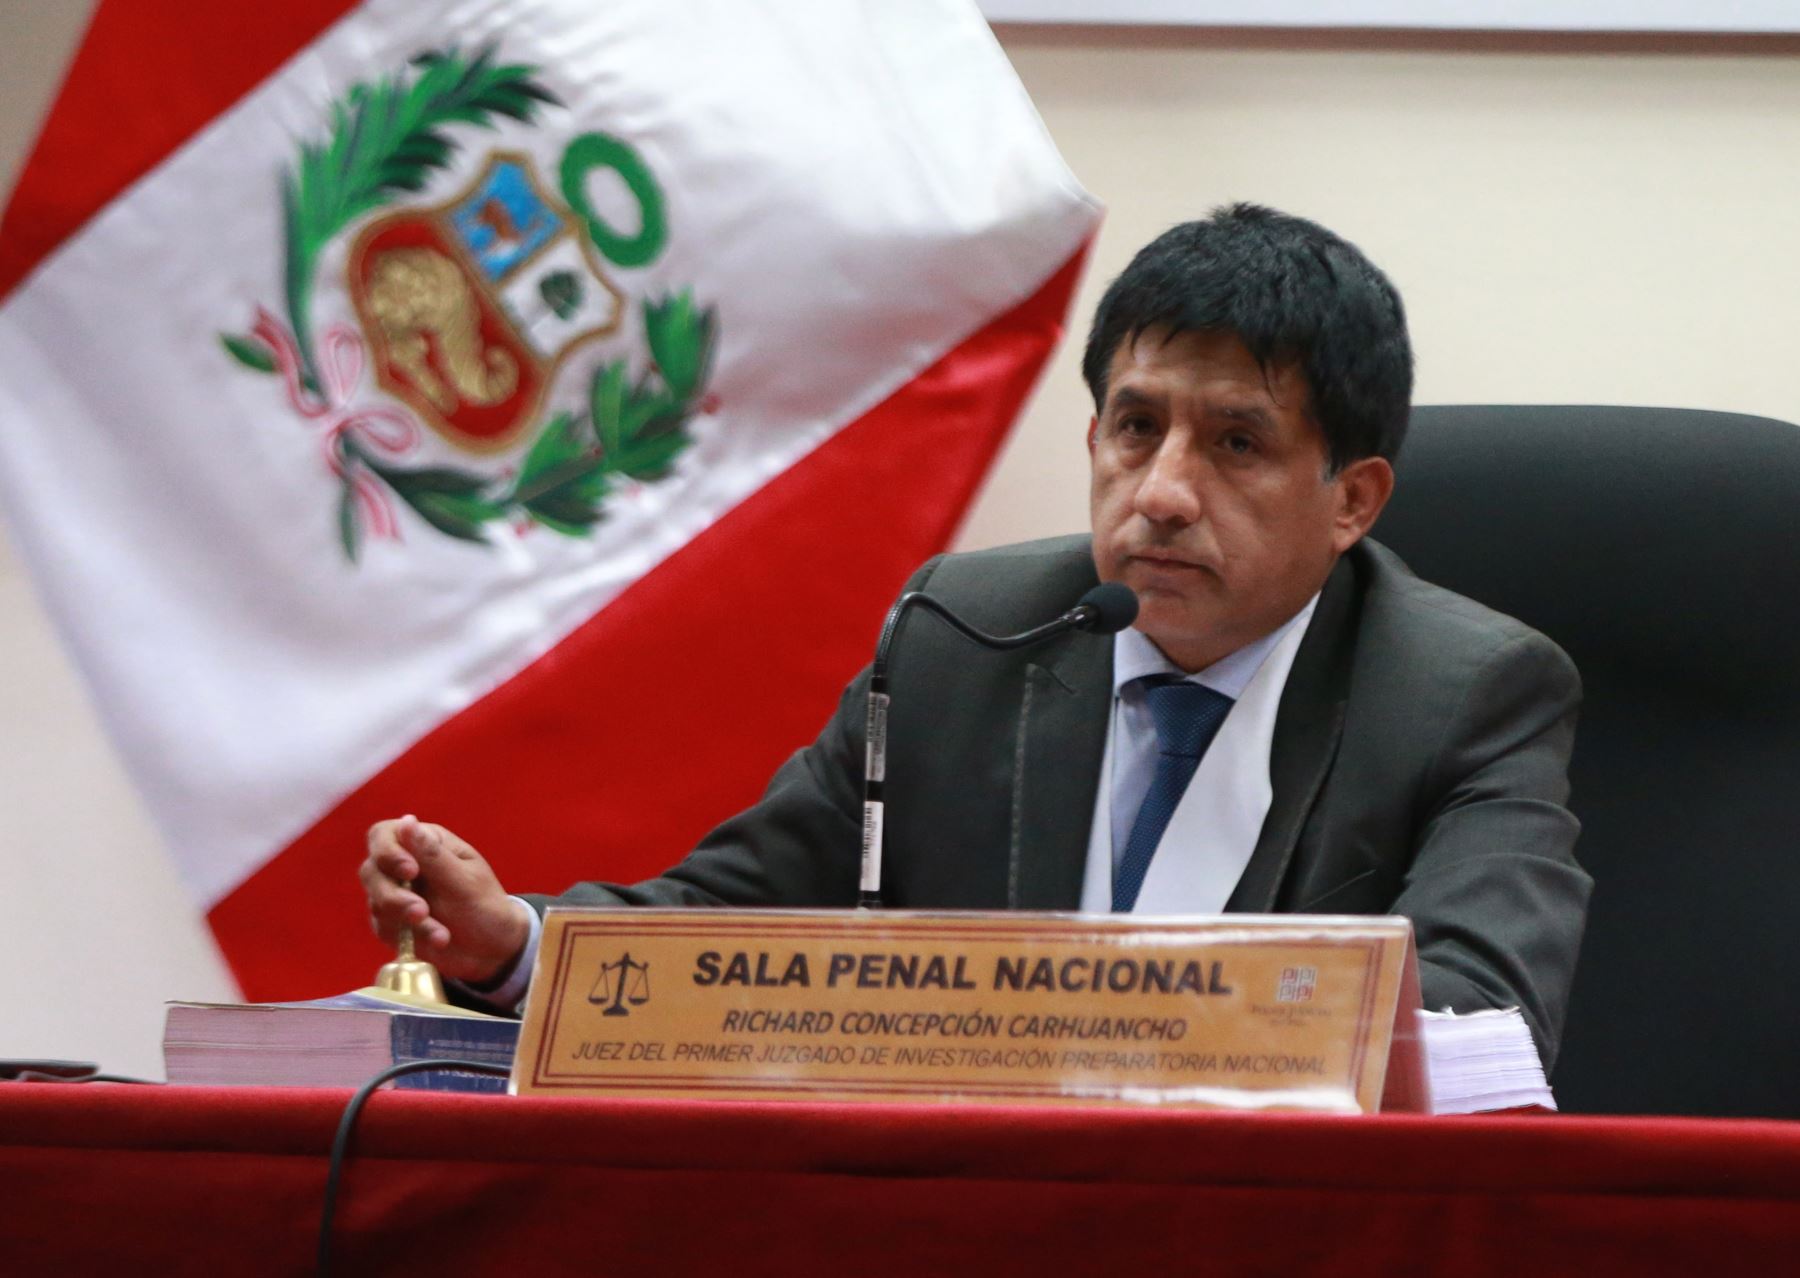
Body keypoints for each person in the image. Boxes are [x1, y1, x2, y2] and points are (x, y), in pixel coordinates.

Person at [361, 204, 1590, 1064]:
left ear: (1354, 501)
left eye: (1236, 442)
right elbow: (737, 921)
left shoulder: (1466, 693)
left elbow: (1482, 1024)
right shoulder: (965, 635)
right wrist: (511, 944)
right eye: (1136, 428)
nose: (1163, 491)